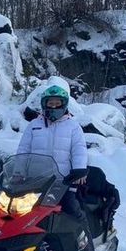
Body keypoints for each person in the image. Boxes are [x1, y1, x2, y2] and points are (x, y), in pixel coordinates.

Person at [16, 85, 90, 242]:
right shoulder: (34, 125)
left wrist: (79, 170)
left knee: (72, 210)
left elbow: (79, 149)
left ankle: (88, 250)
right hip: (36, 181)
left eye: (58, 103)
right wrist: (18, 172)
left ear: (64, 104)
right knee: (21, 213)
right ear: (44, 104)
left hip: (63, 181)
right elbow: (23, 150)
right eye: (51, 103)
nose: (54, 107)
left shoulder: (73, 126)